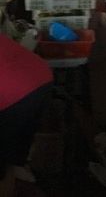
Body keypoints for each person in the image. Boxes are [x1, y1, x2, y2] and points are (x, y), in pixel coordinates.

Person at [0, 33, 52, 197]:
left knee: (3, 159)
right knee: (12, 147)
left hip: (17, 88)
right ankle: (15, 168)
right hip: (36, 74)